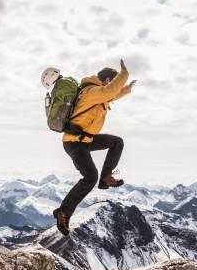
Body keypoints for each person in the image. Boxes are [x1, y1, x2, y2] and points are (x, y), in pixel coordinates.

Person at [53, 58, 136, 235]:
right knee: (90, 177)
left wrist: (127, 89)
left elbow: (112, 94)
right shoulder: (91, 91)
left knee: (116, 142)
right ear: (107, 81)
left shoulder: (97, 92)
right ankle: (63, 212)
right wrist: (124, 74)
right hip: (75, 142)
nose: (113, 86)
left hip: (86, 139)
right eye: (112, 83)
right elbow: (110, 91)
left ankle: (106, 177)